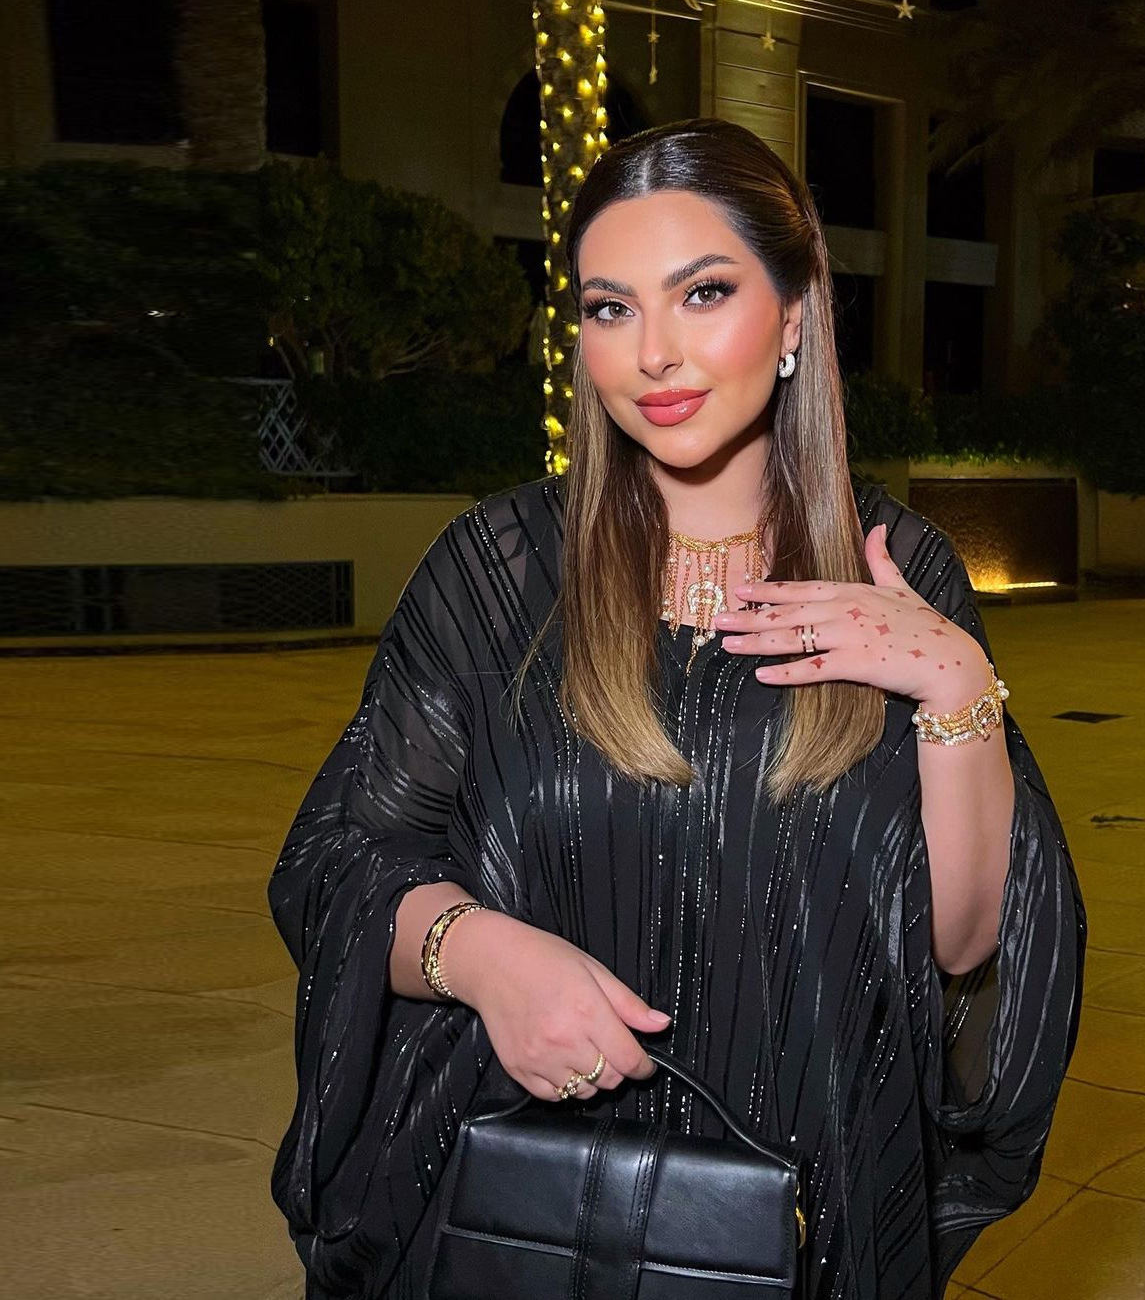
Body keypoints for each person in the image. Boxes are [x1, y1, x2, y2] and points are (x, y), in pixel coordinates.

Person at [267, 117, 1086, 1300]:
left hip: (812, 1205)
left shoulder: (901, 575)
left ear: (795, 315)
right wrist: (480, 955)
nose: (653, 353)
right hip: (518, 1209)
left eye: (704, 293)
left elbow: (960, 948)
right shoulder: (494, 575)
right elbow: (336, 862)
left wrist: (958, 688)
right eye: (611, 308)